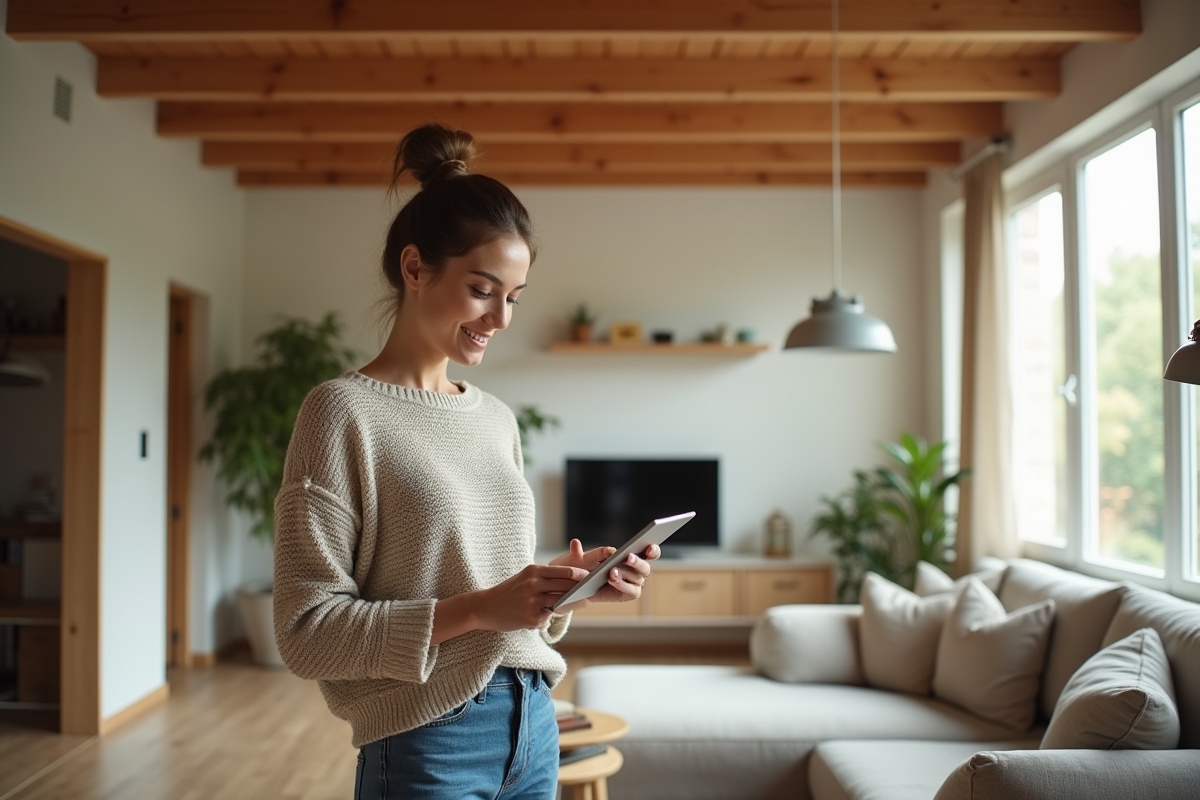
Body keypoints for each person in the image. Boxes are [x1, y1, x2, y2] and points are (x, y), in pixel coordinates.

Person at [272, 123, 659, 800]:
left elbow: (488, 588)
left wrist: (563, 584)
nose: (501, 318)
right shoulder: (340, 413)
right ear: (415, 267)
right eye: (483, 290)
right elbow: (307, 633)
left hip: (535, 723)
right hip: (427, 737)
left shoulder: (495, 419)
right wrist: (481, 609)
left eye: (513, 297)